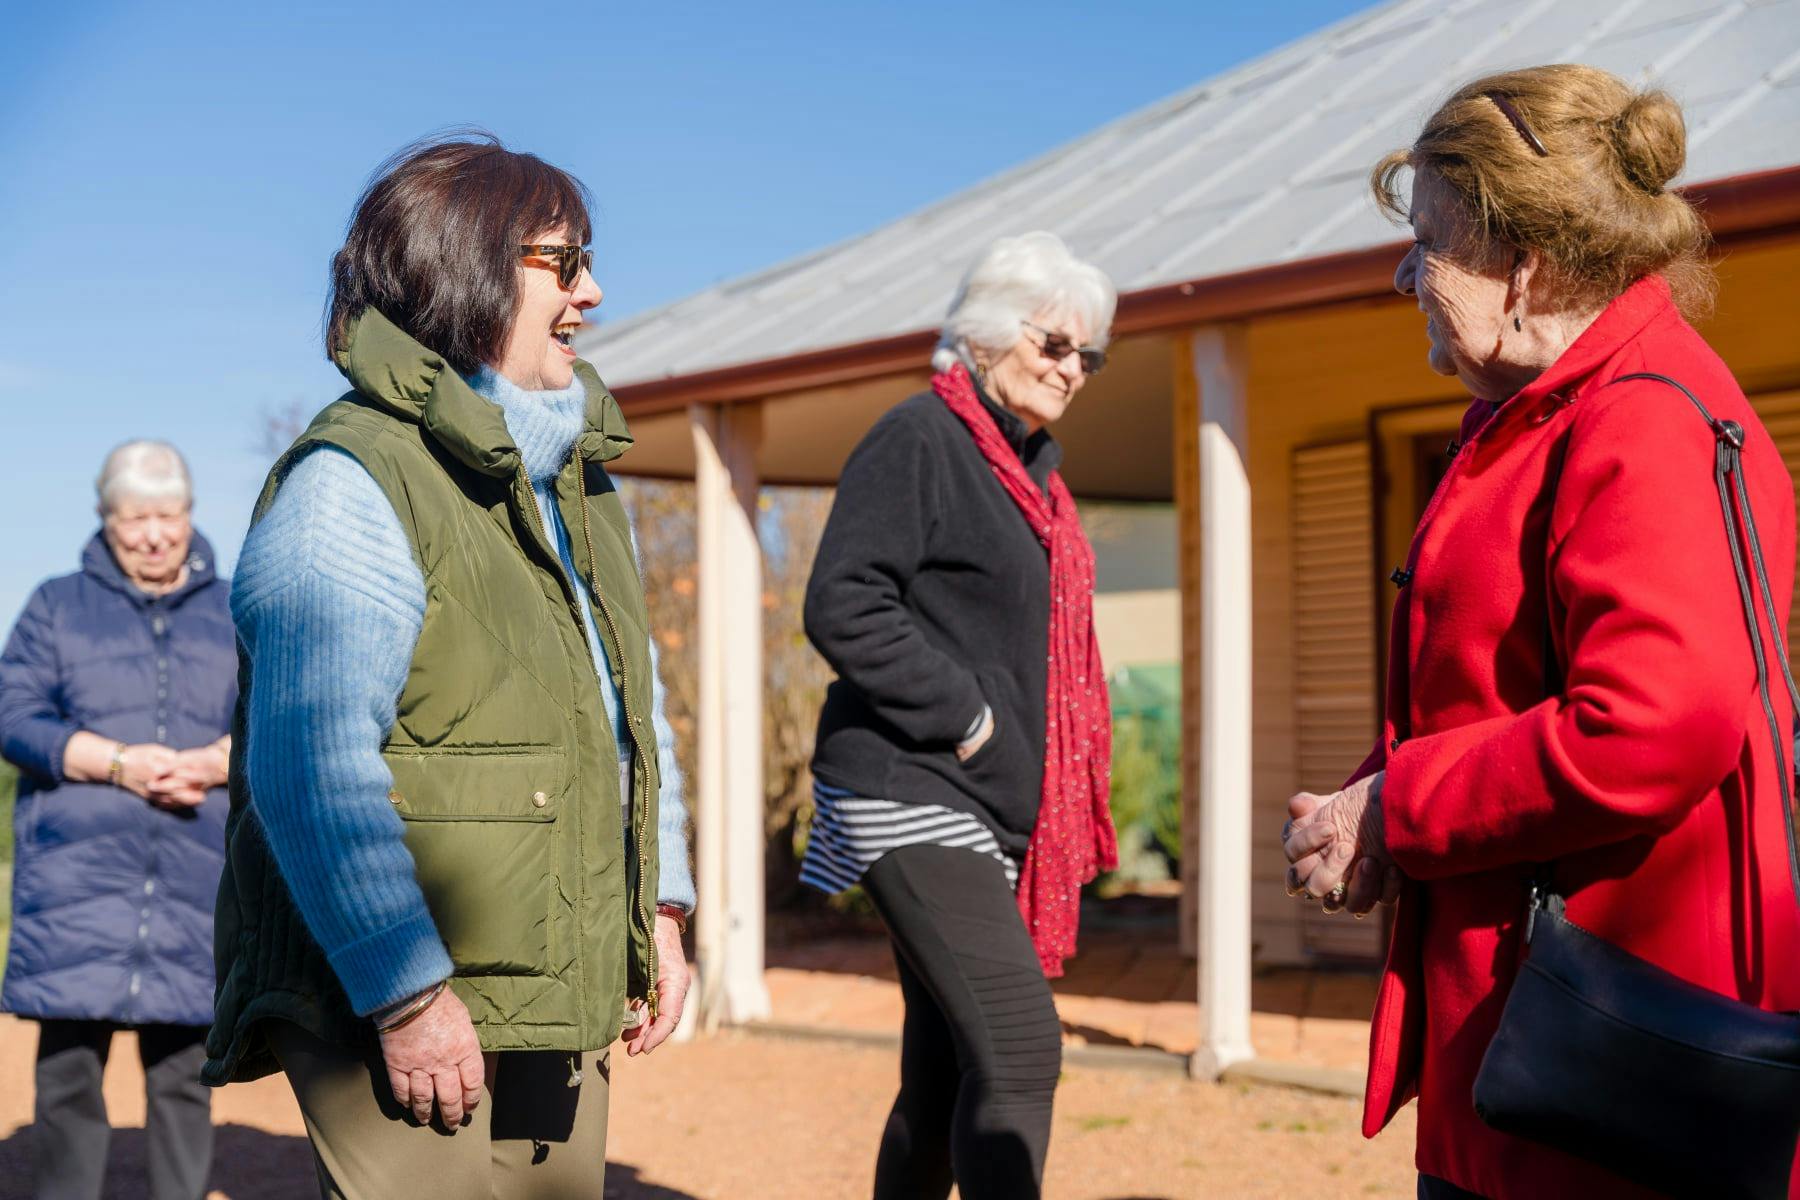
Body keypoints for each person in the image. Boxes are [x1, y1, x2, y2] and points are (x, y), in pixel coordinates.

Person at [1280, 65, 1800, 1198]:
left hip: (1610, 1061)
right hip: (1537, 1038)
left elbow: (1650, 726)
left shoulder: (1643, 419)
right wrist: (1369, 808)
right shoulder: (1551, 411)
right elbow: (1502, 685)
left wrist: (1404, 805)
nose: (1405, 272)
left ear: (1526, 261)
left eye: (1430, 240)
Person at [200, 136, 695, 1199]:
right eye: (563, 263)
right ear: (461, 266)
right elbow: (310, 770)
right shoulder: (352, 483)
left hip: (552, 976)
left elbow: (626, 718)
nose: (593, 292)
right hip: (402, 992)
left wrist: (660, 911)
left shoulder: (580, 488)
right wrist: (406, 994)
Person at [801, 231, 1119, 1200]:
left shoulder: (1037, 487)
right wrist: (969, 717)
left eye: (1087, 354)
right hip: (911, 785)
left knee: (943, 1076)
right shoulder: (922, 439)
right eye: (1053, 343)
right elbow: (843, 599)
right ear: (984, 335)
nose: (1072, 367)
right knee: (1021, 1047)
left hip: (980, 808)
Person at [0, 441, 236, 1200]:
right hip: (77, 889)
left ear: (189, 515)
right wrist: (114, 761)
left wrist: (217, 761)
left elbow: (277, 716)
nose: (155, 535)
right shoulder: (55, 604)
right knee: (67, 1081)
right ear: (106, 520)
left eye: (169, 516)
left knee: (185, 1080)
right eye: (136, 518)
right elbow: (13, 715)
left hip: (199, 881)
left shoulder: (238, 608)